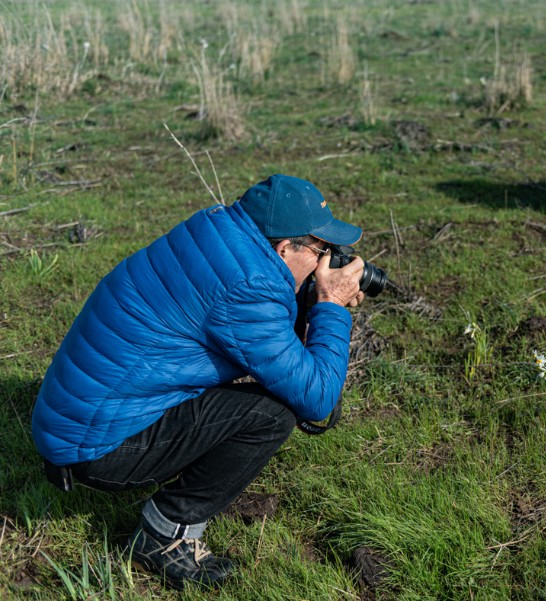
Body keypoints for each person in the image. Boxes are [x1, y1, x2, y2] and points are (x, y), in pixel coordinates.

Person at [31, 174, 367, 589]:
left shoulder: (218, 230)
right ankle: (164, 534)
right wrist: (330, 305)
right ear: (284, 248)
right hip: (95, 446)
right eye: (321, 250)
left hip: (77, 414)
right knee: (271, 415)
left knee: (264, 396)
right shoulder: (250, 286)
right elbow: (317, 399)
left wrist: (304, 299)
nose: (326, 260)